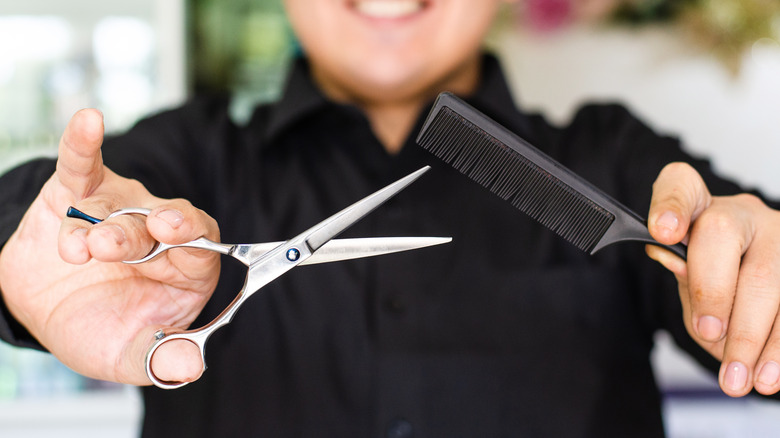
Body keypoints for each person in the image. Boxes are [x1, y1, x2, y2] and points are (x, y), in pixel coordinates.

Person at [1, 0, 780, 436]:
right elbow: (57, 210)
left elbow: (757, 269)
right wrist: (24, 251)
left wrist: (764, 290)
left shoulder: (614, 167)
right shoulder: (188, 161)